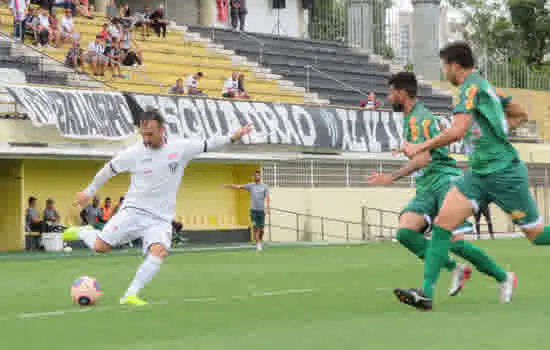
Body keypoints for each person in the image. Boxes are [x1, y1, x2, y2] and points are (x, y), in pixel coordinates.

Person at [395, 41, 546, 310]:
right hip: (477, 175)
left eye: (445, 67)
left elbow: (456, 131)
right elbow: (519, 113)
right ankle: (426, 293)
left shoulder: (469, 89)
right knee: (442, 225)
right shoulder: (486, 87)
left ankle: (501, 278)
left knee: (535, 235)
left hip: (505, 174)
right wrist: (493, 132)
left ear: (454, 65)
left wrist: (419, 146)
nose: (445, 73)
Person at [64, 109, 252, 305]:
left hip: (160, 218)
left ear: (162, 130)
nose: (146, 138)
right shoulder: (135, 153)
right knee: (100, 247)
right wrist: (89, 191)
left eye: (150, 134)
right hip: (133, 211)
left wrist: (232, 137)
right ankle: (84, 232)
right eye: (143, 134)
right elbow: (109, 170)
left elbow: (208, 144)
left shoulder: (180, 148)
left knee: (159, 251)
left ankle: (130, 294)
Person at [367, 71, 510, 302]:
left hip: (444, 181)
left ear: (402, 93)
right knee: (405, 232)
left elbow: (424, 159)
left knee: (455, 242)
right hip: (427, 185)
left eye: (391, 92)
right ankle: (456, 269)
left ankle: (503, 277)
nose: (388, 97)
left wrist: (391, 177)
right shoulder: (411, 117)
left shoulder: (419, 119)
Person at [223, 170, 270, 251]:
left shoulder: (264, 186)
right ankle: (258, 244)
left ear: (260, 177)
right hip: (253, 210)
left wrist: (268, 208)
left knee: (261, 229)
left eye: (258, 175)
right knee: (255, 227)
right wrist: (229, 185)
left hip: (261, 211)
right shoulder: (250, 185)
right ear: (253, 177)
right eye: (255, 176)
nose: (256, 177)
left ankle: (259, 240)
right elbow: (239, 186)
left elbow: (267, 197)